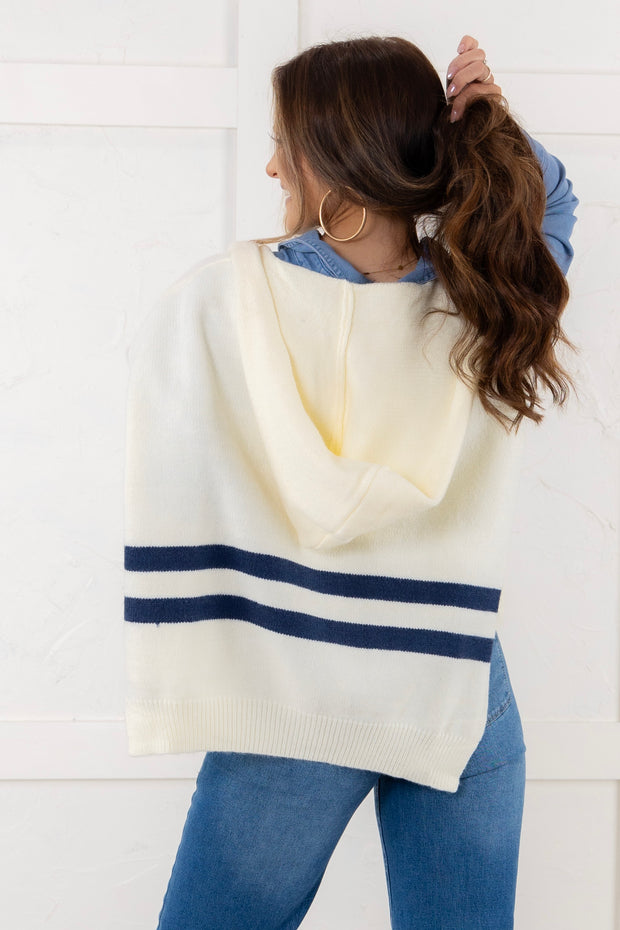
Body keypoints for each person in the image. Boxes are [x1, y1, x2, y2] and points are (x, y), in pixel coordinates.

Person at [123, 34, 579, 930]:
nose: (270, 167)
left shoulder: (224, 301)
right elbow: (556, 202)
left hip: (294, 693)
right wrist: (486, 120)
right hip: (450, 682)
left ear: (337, 166)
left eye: (283, 146)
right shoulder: (492, 304)